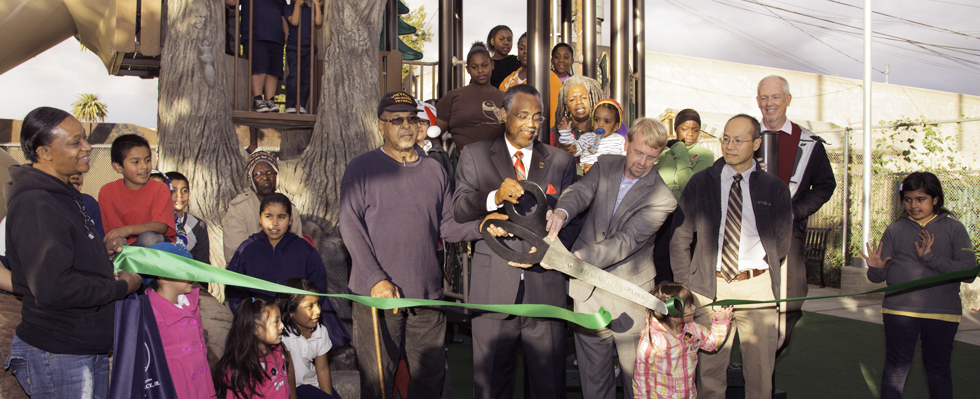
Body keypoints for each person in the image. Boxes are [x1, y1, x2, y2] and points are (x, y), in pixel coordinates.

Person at [339, 90, 491, 398]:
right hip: (377, 299)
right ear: (380, 125)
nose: (406, 126)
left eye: (412, 119)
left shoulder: (435, 170)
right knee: (378, 385)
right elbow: (350, 226)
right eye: (396, 120)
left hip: (426, 298)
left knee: (429, 384)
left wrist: (484, 226)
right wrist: (376, 280)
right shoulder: (361, 167)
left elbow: (448, 226)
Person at [4, 107, 142, 397]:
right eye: (75, 142)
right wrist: (121, 287)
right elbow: (54, 288)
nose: (87, 147)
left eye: (85, 139)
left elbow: (60, 259)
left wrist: (97, 253)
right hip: (59, 352)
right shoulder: (37, 204)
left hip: (82, 346)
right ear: (44, 153)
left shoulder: (64, 195)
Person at [453, 84, 576, 399]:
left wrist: (551, 244)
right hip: (493, 291)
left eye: (537, 117)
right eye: (522, 115)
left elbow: (573, 224)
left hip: (545, 291)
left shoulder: (561, 161)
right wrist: (494, 197)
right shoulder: (475, 155)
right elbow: (460, 208)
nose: (531, 124)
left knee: (549, 388)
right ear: (503, 115)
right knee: (491, 387)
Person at [543, 117, 677, 399]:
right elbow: (581, 191)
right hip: (588, 293)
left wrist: (577, 259)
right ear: (626, 143)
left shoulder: (664, 198)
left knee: (636, 380)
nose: (642, 162)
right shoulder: (605, 164)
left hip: (629, 295)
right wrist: (561, 212)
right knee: (593, 376)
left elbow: (626, 241)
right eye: (638, 152)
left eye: (651, 157)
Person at [669, 114, 792, 399]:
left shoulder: (774, 188)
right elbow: (680, 237)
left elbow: (782, 241)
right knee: (709, 375)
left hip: (757, 288)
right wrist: (686, 286)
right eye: (726, 139)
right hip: (709, 288)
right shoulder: (701, 182)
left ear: (756, 144)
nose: (730, 145)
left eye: (738, 140)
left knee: (761, 376)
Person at [862, 172, 976, 399]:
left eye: (920, 199)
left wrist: (931, 259)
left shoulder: (955, 229)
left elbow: (969, 272)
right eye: (908, 199)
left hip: (942, 313)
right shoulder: (894, 230)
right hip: (899, 311)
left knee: (938, 371)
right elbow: (877, 277)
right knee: (895, 368)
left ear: (935, 199)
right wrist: (875, 269)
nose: (913, 205)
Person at [756, 75, 836, 350]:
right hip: (746, 233)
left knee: (792, 295)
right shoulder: (744, 136)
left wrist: (796, 212)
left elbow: (825, 185)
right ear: (757, 101)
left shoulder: (809, 142)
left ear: (788, 100)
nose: (769, 103)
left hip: (789, 234)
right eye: (764, 97)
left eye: (775, 97)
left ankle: (773, 352)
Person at [225, 194, 345, 352]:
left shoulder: (303, 249)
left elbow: (318, 284)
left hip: (299, 327)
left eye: (281, 217)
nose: (274, 223)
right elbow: (234, 288)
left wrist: (303, 314)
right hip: (261, 329)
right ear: (260, 218)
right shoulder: (247, 250)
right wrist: (252, 317)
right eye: (268, 216)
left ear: (290, 219)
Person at [632, 282, 733, 399]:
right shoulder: (653, 338)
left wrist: (721, 323)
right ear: (674, 315)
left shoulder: (692, 330)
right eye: (690, 306)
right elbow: (641, 375)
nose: (694, 308)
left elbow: (711, 344)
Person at [653, 108, 715, 283]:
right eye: (685, 128)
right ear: (676, 130)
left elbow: (689, 186)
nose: (690, 134)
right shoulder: (663, 154)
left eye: (695, 129)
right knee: (660, 263)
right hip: (662, 217)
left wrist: (680, 151)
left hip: (688, 218)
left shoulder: (705, 155)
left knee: (683, 264)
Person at [145, 260, 216, 399]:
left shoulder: (190, 304)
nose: (193, 275)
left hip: (200, 386)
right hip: (174, 388)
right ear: (164, 277)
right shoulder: (150, 311)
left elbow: (202, 350)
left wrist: (209, 390)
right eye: (185, 270)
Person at [222, 150, 303, 263]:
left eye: (270, 173)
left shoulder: (289, 208)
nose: (265, 178)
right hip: (247, 271)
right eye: (258, 174)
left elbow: (298, 248)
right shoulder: (239, 208)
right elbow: (235, 252)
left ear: (276, 176)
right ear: (250, 179)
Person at [99, 134, 177, 248]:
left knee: (148, 238)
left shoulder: (160, 188)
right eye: (136, 162)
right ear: (118, 167)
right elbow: (107, 232)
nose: (144, 166)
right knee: (115, 242)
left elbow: (162, 226)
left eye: (147, 160)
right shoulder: (106, 191)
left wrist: (128, 230)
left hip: (155, 247)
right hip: (125, 248)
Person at [214, 296, 296, 399]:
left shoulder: (279, 351)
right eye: (276, 321)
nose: (282, 325)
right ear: (256, 329)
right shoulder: (242, 369)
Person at [435, 42, 505, 153]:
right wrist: (437, 155)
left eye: (484, 65)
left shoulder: (505, 98)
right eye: (474, 67)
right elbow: (433, 134)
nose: (480, 70)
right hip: (465, 161)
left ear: (492, 65)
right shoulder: (454, 97)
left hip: (499, 160)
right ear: (467, 69)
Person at [276, 278, 340, 399]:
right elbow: (289, 374)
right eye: (310, 306)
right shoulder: (283, 335)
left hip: (312, 384)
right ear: (291, 311)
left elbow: (322, 370)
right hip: (293, 388)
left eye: (318, 303)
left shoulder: (320, 332)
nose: (318, 311)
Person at [226, 0, 286, 113]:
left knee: (273, 71)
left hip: (276, 36)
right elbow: (230, 2)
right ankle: (258, 99)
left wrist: (286, 34)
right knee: (259, 67)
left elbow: (282, 15)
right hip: (255, 34)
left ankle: (270, 100)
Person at [557, 99, 628, 174]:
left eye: (607, 121)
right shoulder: (587, 137)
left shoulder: (619, 140)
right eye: (597, 120)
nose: (600, 124)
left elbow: (625, 159)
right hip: (586, 174)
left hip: (609, 174)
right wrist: (565, 132)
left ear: (616, 126)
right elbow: (574, 149)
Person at [283, 0, 323, 114]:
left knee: (306, 78)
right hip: (294, 47)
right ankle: (290, 104)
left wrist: (317, 5)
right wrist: (297, 4)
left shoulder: (309, 10)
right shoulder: (288, 8)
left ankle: (300, 103)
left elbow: (318, 22)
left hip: (308, 48)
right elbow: (295, 21)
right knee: (294, 76)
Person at [167, 171, 211, 264]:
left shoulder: (198, 225)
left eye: (184, 191)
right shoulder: (157, 223)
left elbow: (203, 262)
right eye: (173, 190)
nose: (179, 195)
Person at [551, 75, 603, 152]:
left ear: (592, 100)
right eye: (572, 99)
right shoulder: (555, 133)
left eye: (584, 97)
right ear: (567, 107)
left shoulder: (605, 127)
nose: (578, 102)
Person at [71, 172, 105, 237]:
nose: (76, 177)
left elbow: (100, 236)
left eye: (79, 173)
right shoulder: (53, 203)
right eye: (70, 173)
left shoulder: (89, 201)